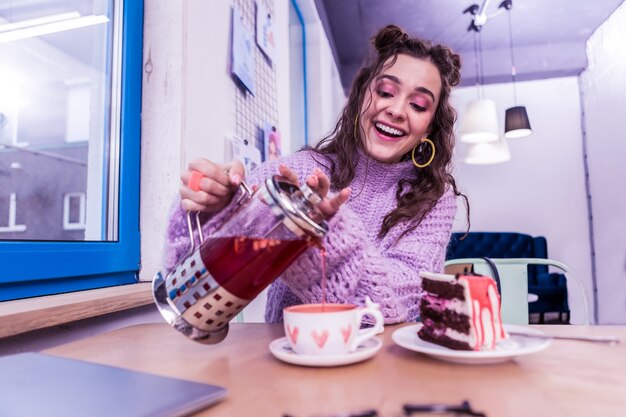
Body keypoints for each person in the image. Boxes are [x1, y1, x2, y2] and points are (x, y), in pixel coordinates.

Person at [164, 24, 467, 324]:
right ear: (361, 95)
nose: (397, 110)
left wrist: (319, 239)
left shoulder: (436, 200)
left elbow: (405, 295)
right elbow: (189, 288)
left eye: (418, 104)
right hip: (289, 359)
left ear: (429, 127)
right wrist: (215, 208)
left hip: (387, 367)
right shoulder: (298, 171)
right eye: (386, 91)